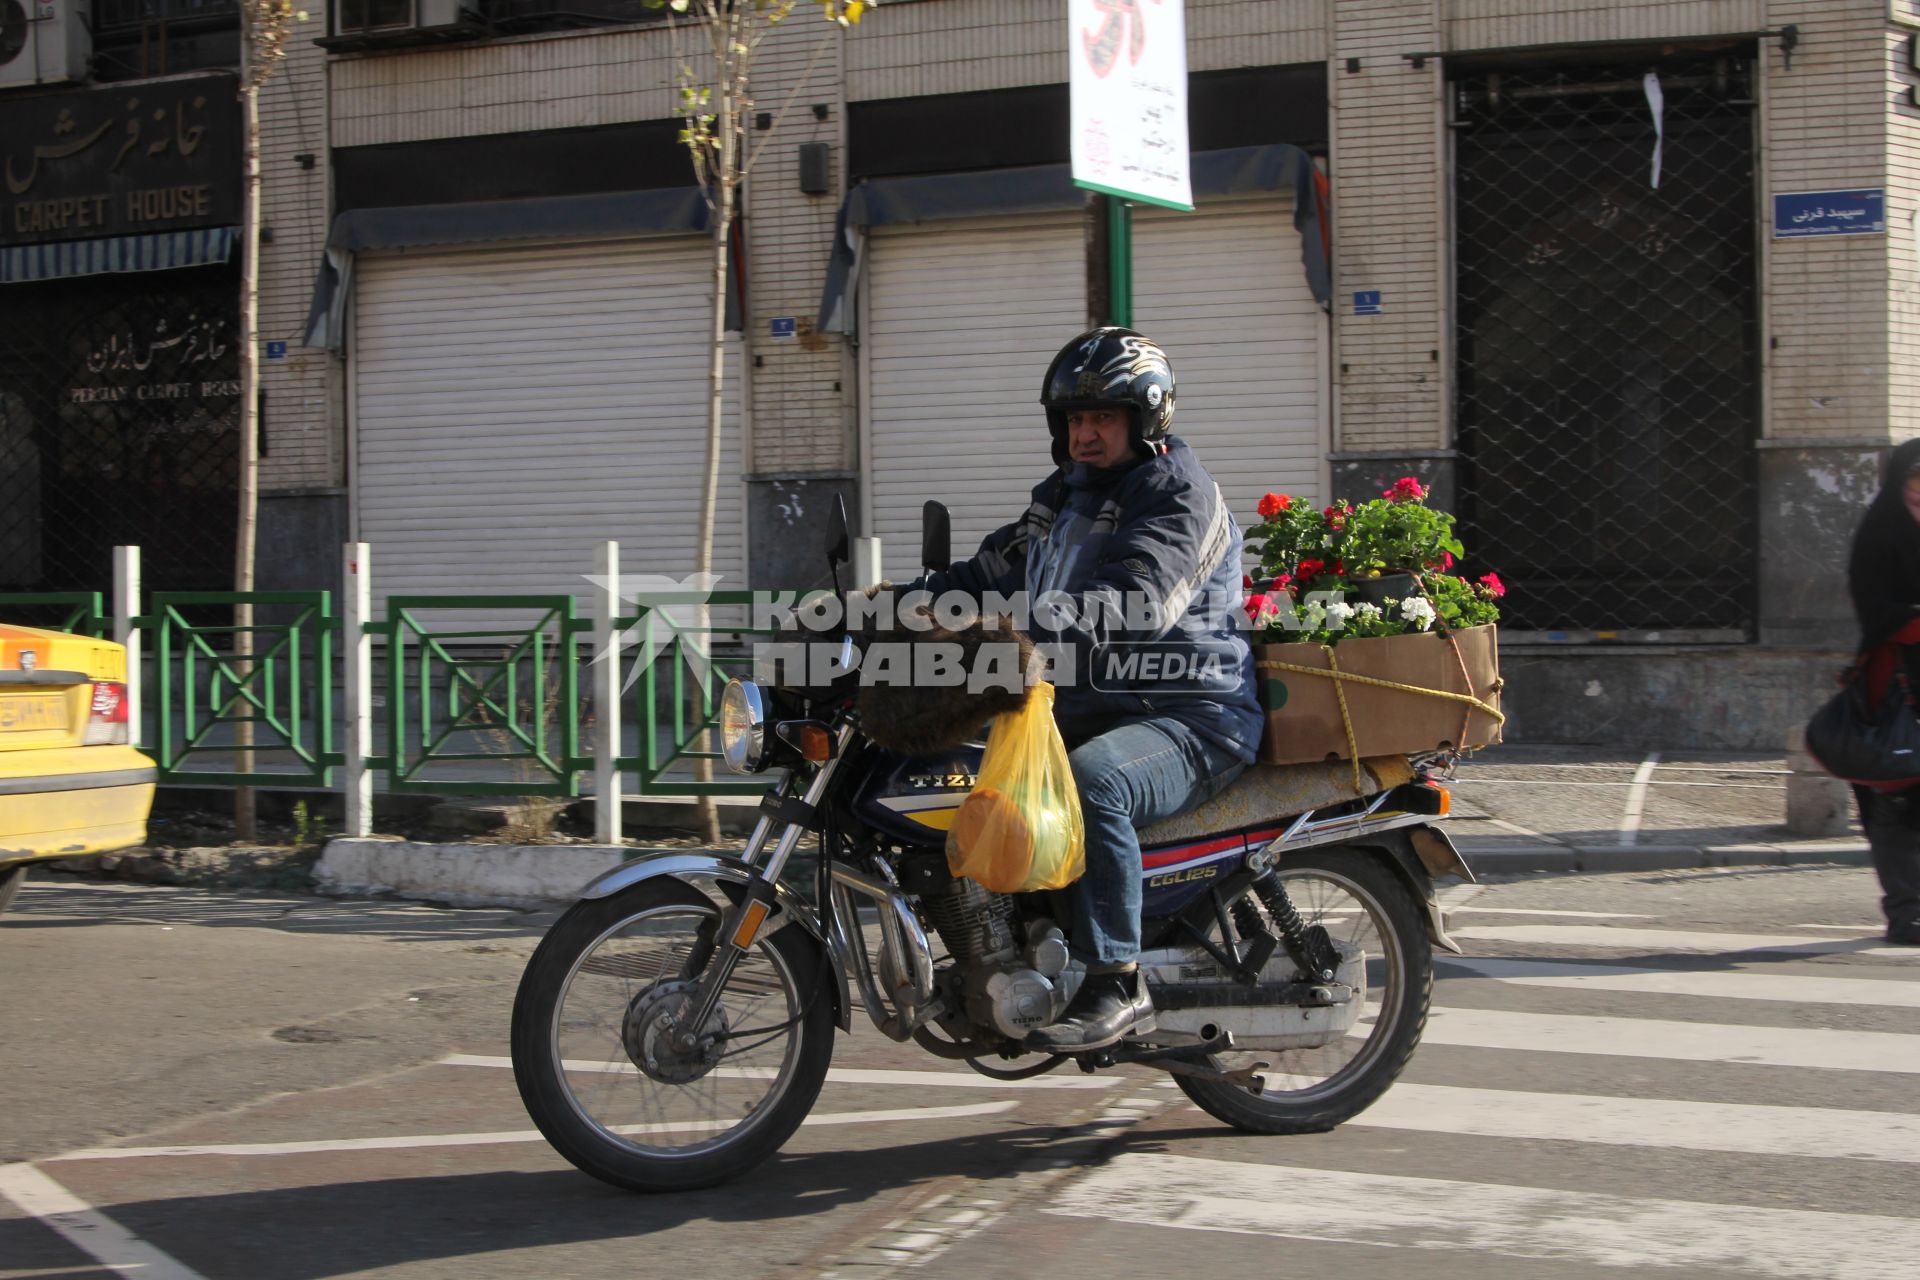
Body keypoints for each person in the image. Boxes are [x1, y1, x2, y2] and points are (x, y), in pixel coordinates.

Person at [918, 327, 1263, 1049]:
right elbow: (986, 574)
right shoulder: (1063, 497)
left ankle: (1117, 979)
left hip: (1191, 714)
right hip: (1094, 703)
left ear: (1147, 418)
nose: (1086, 433)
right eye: (1075, 419)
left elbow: (1132, 603)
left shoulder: (1178, 498)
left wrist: (1016, 637)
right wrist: (884, 608)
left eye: (1103, 417)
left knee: (1092, 783)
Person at [1847, 438, 1920, 946]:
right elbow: (1876, 611)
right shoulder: (1880, 533)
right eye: (1915, 494)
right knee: (1895, 800)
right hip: (1895, 684)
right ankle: (1907, 912)